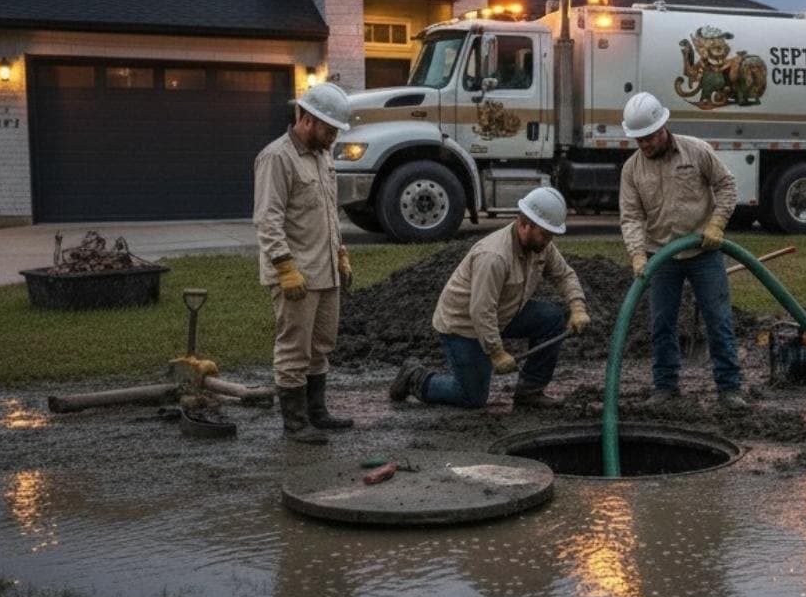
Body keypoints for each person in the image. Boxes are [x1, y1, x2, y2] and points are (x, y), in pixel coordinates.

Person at [391, 187, 590, 409]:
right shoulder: (494, 256)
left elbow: (564, 275)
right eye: (545, 234)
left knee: (551, 318)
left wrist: (577, 306)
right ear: (524, 224)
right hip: (464, 325)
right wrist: (496, 352)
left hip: (504, 312)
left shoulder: (541, 245)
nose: (548, 241)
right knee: (471, 397)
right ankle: (415, 377)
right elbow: (481, 311)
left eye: (551, 235)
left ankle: (530, 392)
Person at [616, 91, 745, 409]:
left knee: (718, 320)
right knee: (661, 324)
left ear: (663, 128)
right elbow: (631, 216)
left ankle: (729, 389)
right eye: (639, 140)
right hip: (660, 255)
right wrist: (636, 253)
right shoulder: (632, 170)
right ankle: (666, 388)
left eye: (648, 138)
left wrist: (716, 224)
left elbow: (726, 185)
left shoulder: (696, 151)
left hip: (704, 251)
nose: (644, 145)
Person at [254, 81, 356, 445]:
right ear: (309, 120)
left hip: (324, 269)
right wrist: (284, 267)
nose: (333, 138)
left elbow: (327, 211)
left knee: (321, 344)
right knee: (294, 347)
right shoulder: (277, 158)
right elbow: (267, 220)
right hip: (295, 274)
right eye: (329, 130)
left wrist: (340, 253)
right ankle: (295, 423)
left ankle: (317, 413)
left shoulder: (322, 155)